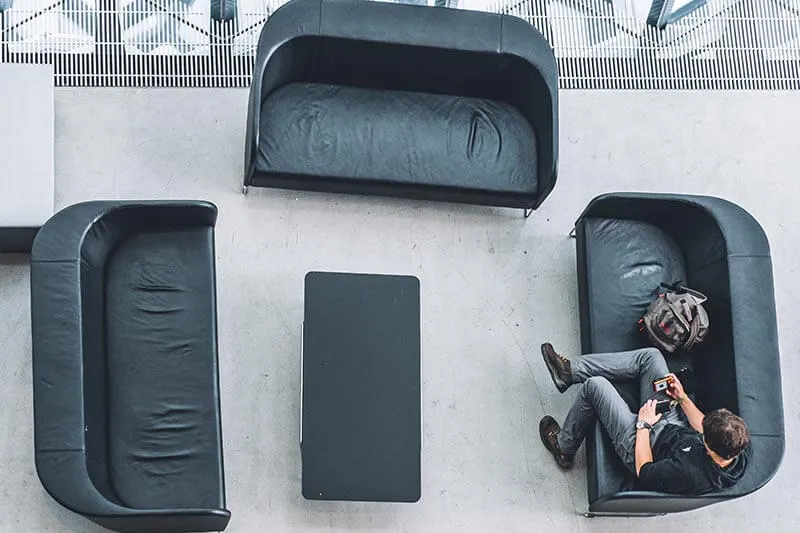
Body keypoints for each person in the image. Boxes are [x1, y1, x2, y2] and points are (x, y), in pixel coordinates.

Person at [537, 343, 751, 495]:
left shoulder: (689, 474)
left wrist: (644, 424)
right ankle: (568, 372)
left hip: (644, 445)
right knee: (651, 357)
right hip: (673, 425)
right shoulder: (738, 444)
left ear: (709, 447)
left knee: (595, 386)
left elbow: (644, 470)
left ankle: (564, 448)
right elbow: (703, 426)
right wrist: (682, 397)